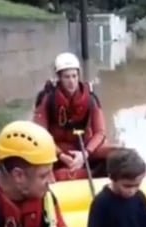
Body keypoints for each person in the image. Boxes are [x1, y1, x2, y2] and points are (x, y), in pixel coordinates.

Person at [33, 52, 112, 181]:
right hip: (56, 151)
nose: (71, 81)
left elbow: (100, 133)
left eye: (74, 76)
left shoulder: (91, 99)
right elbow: (40, 134)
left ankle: (89, 173)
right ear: (59, 77)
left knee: (117, 154)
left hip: (84, 149)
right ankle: (62, 176)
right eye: (66, 77)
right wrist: (61, 155)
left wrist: (85, 154)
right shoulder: (47, 99)